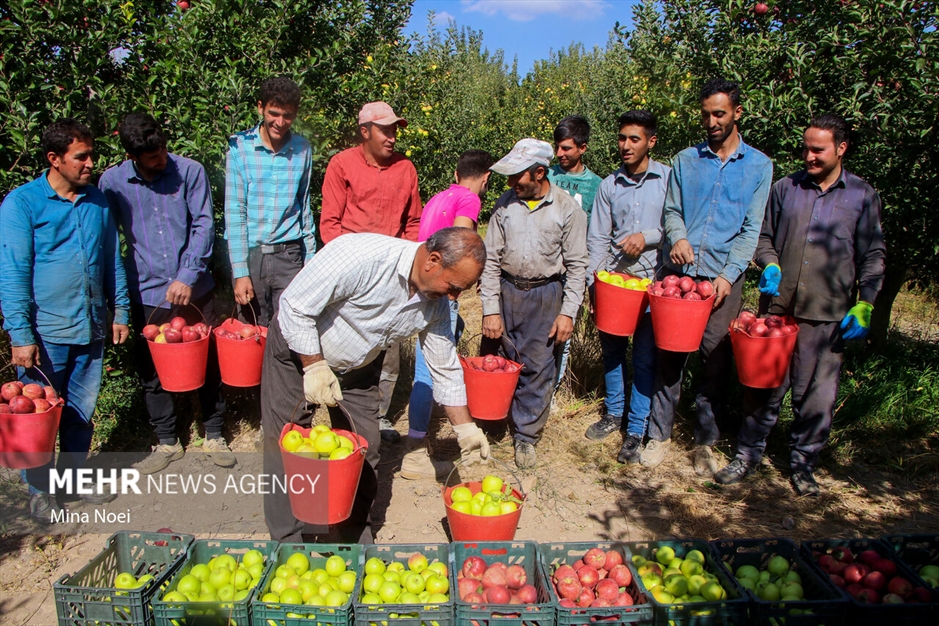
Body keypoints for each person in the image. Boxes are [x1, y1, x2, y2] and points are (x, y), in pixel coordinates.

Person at [261, 228, 490, 543]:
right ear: (432, 261)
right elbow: (295, 307)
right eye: (452, 287)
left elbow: (445, 367)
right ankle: (288, 540)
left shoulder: (436, 305)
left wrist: (465, 427)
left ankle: (352, 537)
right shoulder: (360, 256)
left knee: (364, 447)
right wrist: (313, 366)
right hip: (298, 351)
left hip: (359, 366)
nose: (454, 298)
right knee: (287, 446)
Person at [713, 114, 885, 496]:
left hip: (828, 318)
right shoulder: (786, 189)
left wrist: (866, 302)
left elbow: (873, 253)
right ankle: (747, 455)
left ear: (841, 148)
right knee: (762, 390)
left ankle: (804, 464)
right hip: (778, 312)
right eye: (806, 148)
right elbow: (763, 237)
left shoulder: (861, 196)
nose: (809, 156)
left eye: (818, 149)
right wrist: (770, 262)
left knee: (817, 397)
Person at [0, 119, 131, 523]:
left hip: (90, 325)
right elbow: (13, 271)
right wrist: (20, 334)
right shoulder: (22, 204)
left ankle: (72, 479)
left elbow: (113, 259)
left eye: (92, 154)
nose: (91, 163)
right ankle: (40, 490)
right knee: (40, 419)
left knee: (80, 412)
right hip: (46, 332)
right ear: (54, 159)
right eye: (82, 156)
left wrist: (120, 309)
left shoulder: (97, 202)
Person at [641, 78, 773, 475]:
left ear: (737, 113)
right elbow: (671, 210)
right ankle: (659, 435)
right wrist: (678, 236)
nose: (712, 121)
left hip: (721, 280)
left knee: (715, 360)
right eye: (706, 115)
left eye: (719, 114)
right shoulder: (685, 160)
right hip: (677, 274)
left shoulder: (759, 166)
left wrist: (730, 274)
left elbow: (751, 228)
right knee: (669, 356)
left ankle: (704, 442)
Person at [100, 113, 234, 474]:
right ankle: (166, 439)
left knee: (207, 359)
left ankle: (214, 432)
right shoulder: (111, 183)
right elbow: (109, 239)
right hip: (145, 289)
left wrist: (187, 274)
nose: (161, 160)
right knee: (152, 368)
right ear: (133, 156)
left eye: (162, 152)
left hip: (195, 288)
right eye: (152, 158)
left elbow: (204, 223)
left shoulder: (189, 171)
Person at [480, 138, 589, 469]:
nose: (511, 184)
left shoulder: (567, 210)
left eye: (517, 177)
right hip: (507, 289)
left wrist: (568, 313)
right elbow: (490, 260)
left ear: (540, 173)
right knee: (495, 358)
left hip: (545, 295)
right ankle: (491, 422)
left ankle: (526, 435)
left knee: (538, 366)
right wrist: (490, 308)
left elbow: (577, 266)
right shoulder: (505, 204)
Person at [320, 101, 423, 444]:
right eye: (385, 130)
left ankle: (376, 417)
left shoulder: (406, 169)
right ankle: (340, 415)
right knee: (344, 345)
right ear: (365, 132)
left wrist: (407, 267)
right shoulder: (342, 164)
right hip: (350, 272)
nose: (393, 137)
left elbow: (412, 224)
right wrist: (347, 267)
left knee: (388, 348)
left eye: (395, 130)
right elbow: (330, 224)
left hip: (391, 273)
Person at [402, 149, 494, 480]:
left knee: (434, 357)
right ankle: (415, 449)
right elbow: (464, 243)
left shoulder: (437, 198)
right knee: (432, 368)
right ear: (486, 178)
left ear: (456, 174)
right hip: (442, 290)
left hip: (424, 283)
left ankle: (416, 441)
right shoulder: (469, 201)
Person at [585, 111, 670, 465]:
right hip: (615, 285)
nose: (625, 146)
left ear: (651, 141)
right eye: (621, 138)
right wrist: (594, 286)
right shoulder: (609, 186)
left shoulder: (668, 179)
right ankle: (613, 413)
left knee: (646, 357)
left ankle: (636, 429)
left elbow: (677, 227)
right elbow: (597, 240)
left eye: (634, 139)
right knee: (613, 352)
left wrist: (647, 237)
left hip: (654, 283)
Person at [225, 76, 314, 329]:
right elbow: (235, 212)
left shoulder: (302, 150)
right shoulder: (240, 148)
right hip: (253, 256)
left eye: (287, 116)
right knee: (252, 330)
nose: (280, 122)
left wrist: (310, 261)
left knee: (292, 329)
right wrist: (241, 272)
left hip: (289, 255)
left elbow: (304, 206)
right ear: (260, 107)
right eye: (274, 113)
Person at [548, 116, 603, 394]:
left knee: (563, 333)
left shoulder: (596, 186)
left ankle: (554, 390)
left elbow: (597, 236)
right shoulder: (547, 177)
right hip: (545, 269)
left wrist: (590, 282)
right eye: (557, 147)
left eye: (566, 148)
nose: (560, 154)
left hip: (573, 272)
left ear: (583, 148)